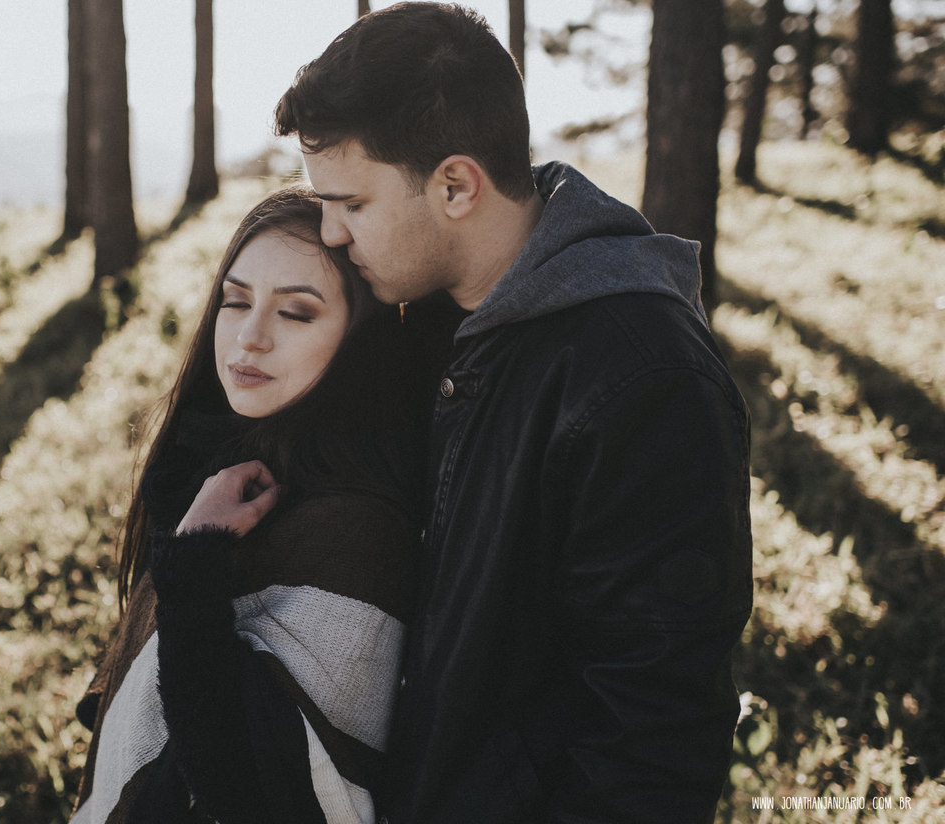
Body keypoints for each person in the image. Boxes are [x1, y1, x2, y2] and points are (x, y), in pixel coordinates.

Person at [273, 4, 755, 823]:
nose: (332, 233)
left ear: (456, 185)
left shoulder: (643, 380)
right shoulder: (423, 316)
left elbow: (652, 740)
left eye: (350, 203)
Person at [70, 187, 429, 824]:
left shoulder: (356, 530)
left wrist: (194, 567)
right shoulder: (211, 466)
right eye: (236, 301)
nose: (250, 337)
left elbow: (253, 794)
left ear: (358, 341)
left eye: (296, 313)